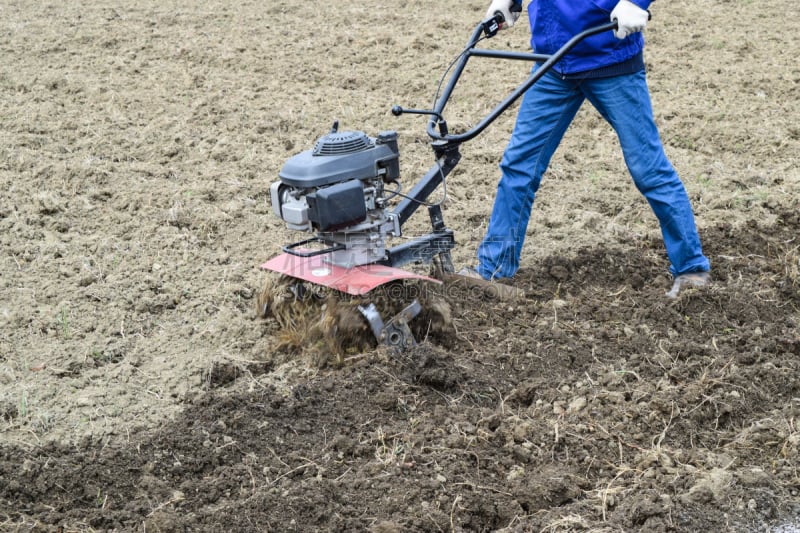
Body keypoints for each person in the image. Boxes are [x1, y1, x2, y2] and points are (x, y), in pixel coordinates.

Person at [465, 0, 711, 298]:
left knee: (647, 168)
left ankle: (691, 269)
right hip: (554, 59)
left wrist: (637, 2)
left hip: (609, 55)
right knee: (519, 166)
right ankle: (492, 270)